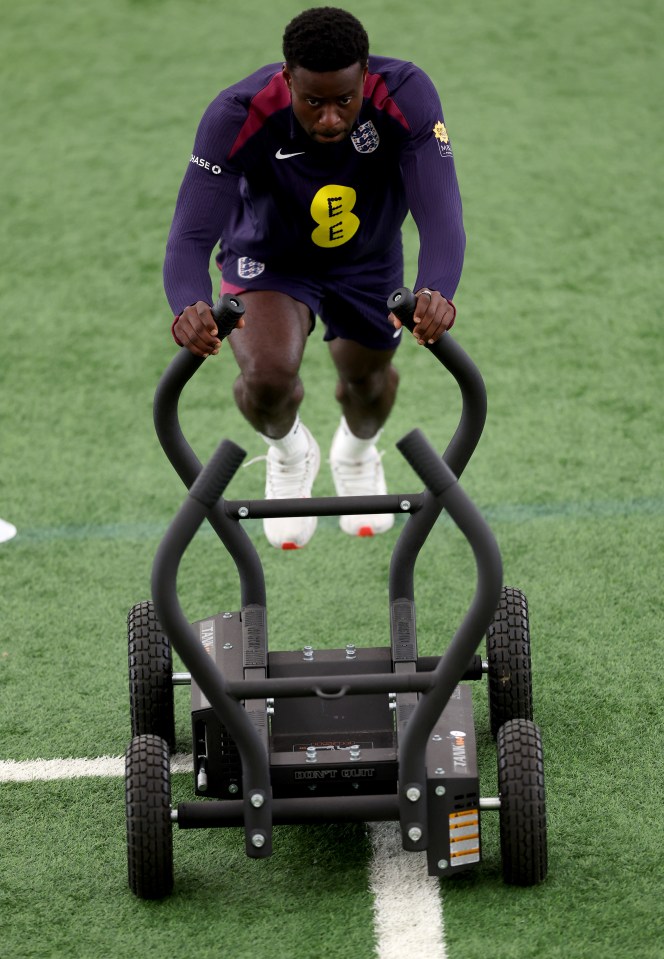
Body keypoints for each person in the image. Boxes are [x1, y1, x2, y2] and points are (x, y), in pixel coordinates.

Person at [164, 6, 465, 549]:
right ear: (287, 78)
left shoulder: (408, 95)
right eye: (314, 102)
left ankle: (355, 449)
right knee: (268, 378)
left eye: (344, 100)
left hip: (368, 259)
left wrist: (437, 287)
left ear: (366, 75)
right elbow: (189, 234)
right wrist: (187, 301)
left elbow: (441, 209)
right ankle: (288, 453)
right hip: (268, 260)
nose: (329, 118)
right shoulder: (236, 113)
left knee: (367, 384)